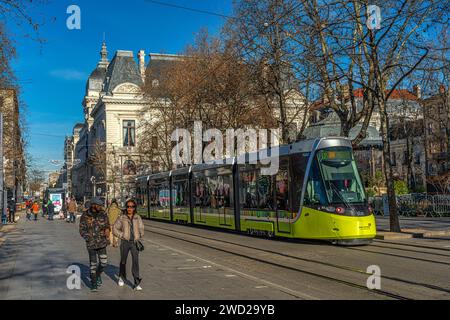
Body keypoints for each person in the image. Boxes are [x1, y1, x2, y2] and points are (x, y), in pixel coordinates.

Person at [79, 197, 110, 292]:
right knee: (93, 264)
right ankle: (93, 283)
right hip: (91, 244)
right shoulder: (85, 215)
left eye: (101, 205)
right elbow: (81, 229)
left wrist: (107, 229)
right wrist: (88, 238)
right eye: (99, 205)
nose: (100, 206)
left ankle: (97, 275)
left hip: (102, 243)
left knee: (104, 263)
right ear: (93, 205)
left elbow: (107, 224)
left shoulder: (103, 214)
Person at [113, 198, 144, 291]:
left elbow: (142, 227)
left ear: (134, 208)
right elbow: (114, 228)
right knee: (123, 261)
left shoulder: (137, 217)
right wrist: (122, 235)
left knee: (135, 262)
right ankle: (121, 277)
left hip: (134, 243)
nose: (130, 208)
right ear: (126, 207)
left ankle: (136, 282)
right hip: (125, 242)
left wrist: (139, 235)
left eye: (132, 206)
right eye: (128, 206)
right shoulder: (122, 217)